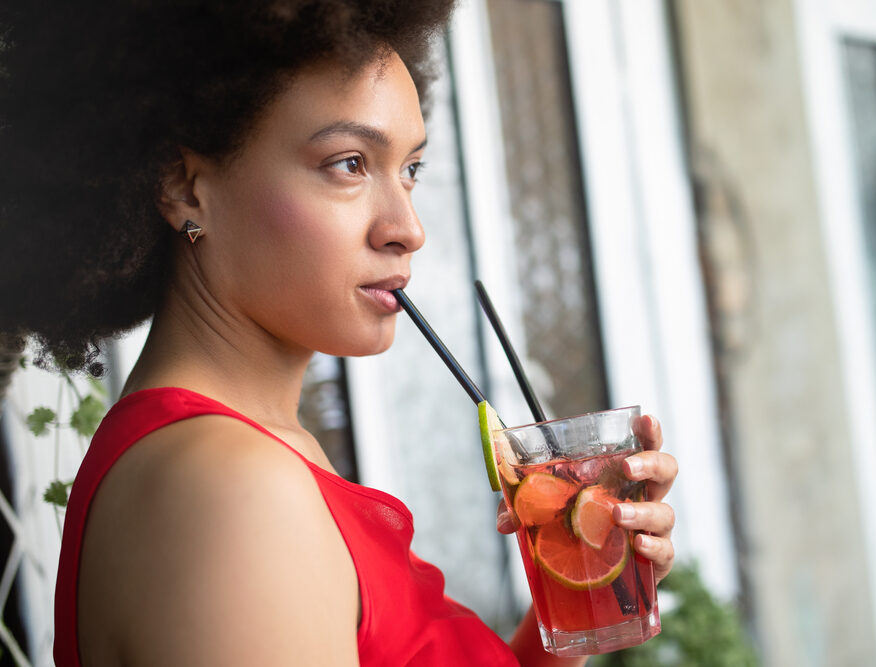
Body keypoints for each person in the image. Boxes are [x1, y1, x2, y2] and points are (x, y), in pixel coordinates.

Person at [0, 1, 678, 665]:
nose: (407, 227)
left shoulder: (254, 455)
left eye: (410, 169)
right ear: (185, 188)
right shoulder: (232, 491)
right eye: (349, 163)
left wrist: (576, 590)